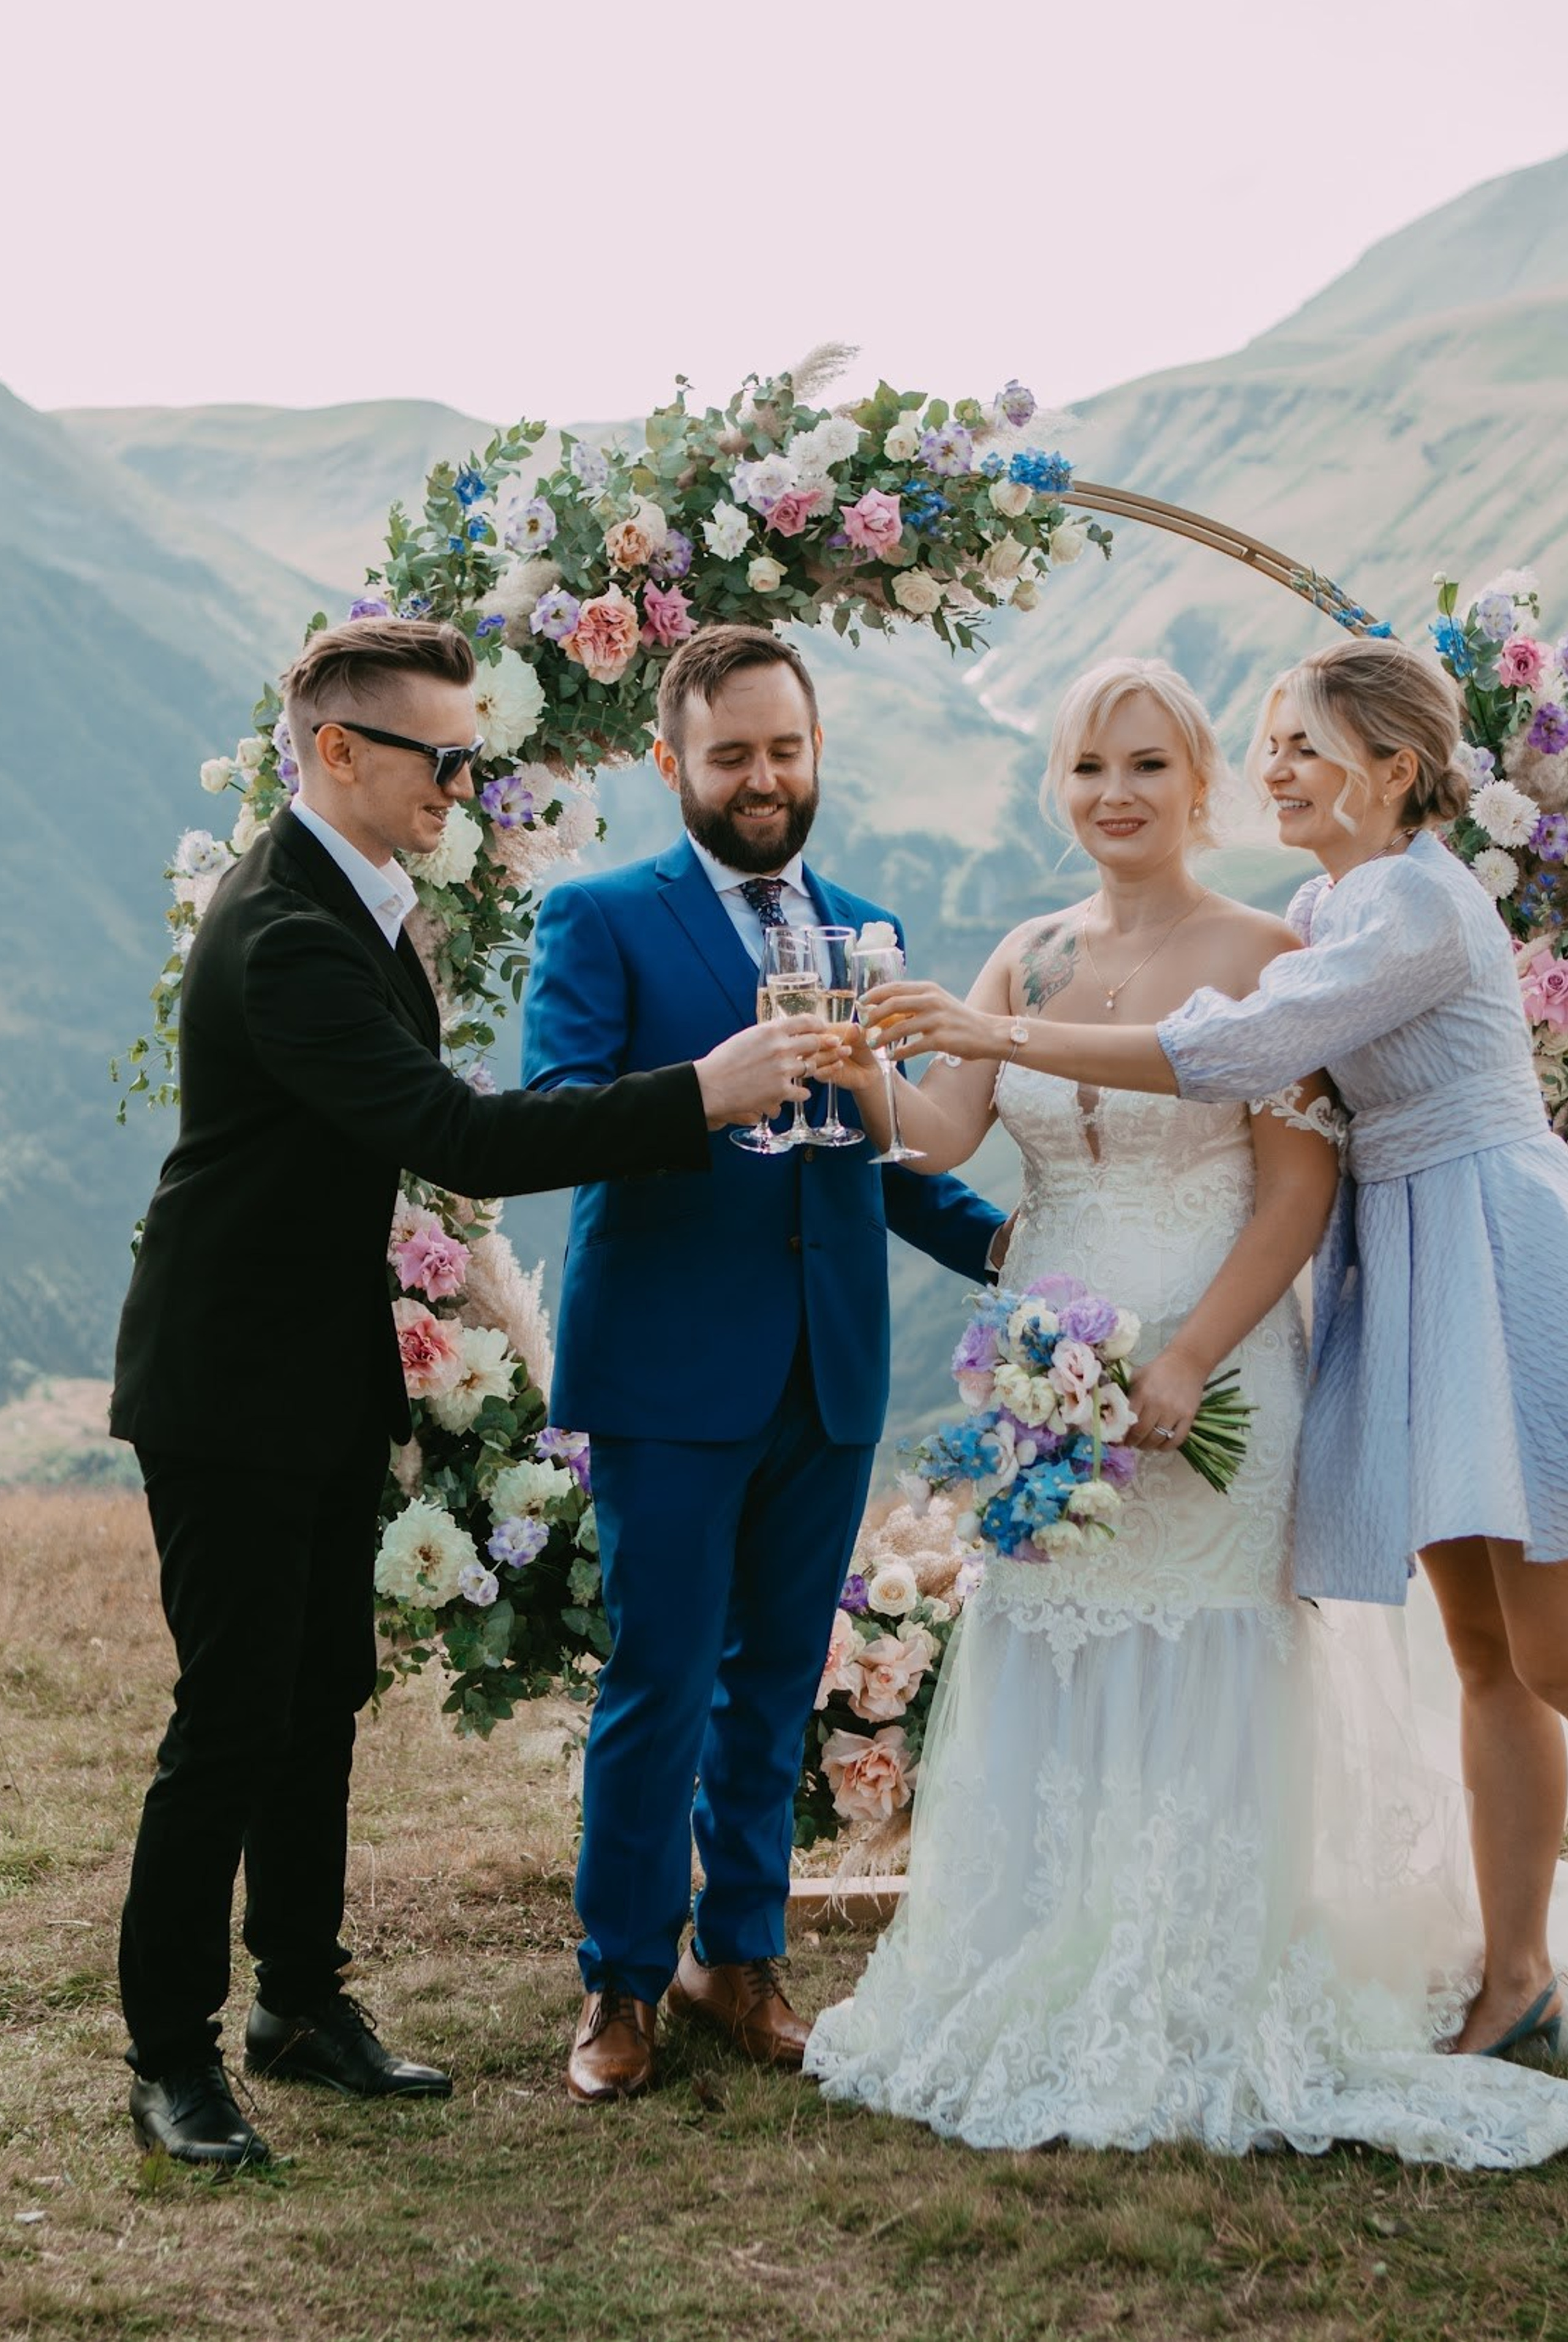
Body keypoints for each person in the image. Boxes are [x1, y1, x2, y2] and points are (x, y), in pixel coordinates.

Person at [808, 656, 1568, 2163]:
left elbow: (1254, 1113)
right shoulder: (1233, 920)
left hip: (1452, 1275)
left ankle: (1458, 1967)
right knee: (1484, 1651)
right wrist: (854, 1065)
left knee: (1534, 1648)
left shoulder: (1341, 926)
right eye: (1089, 766)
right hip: (1305, 1308)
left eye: (1156, 763)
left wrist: (1187, 1354)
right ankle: (1505, 1973)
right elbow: (940, 1132)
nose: (1118, 792)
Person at [110, 617, 826, 2169]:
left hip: (318, 1368)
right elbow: (459, 1136)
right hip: (227, 1379)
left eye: (471, 754)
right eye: (441, 758)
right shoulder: (287, 931)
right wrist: (700, 1095)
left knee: (317, 1701)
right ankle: (170, 2057)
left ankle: (299, 2003)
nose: (463, 784)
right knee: (228, 1723)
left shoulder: (354, 902)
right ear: (337, 752)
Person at [522, 624, 1006, 2104]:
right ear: (670, 759)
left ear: (814, 753)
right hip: (667, 1367)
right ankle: (618, 1978)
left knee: (778, 1680)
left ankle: (735, 1958)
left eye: (783, 751)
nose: (761, 778)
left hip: (827, 1364)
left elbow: (884, 1147)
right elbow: (557, 1111)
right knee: (659, 1682)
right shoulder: (599, 918)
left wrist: (1001, 1246)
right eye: (729, 754)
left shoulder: (865, 927)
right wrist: (702, 1091)